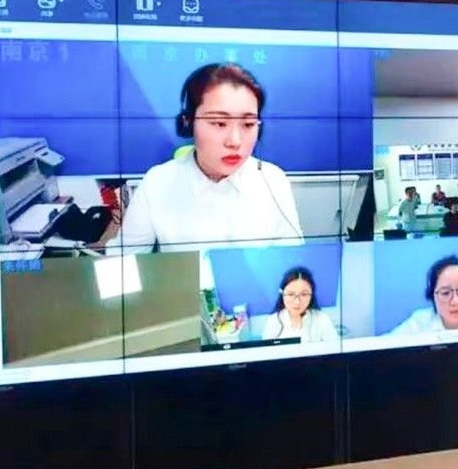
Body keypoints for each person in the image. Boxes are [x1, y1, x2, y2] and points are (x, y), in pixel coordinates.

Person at [112, 63, 302, 253]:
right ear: (188, 123)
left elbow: (293, 260)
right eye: (219, 123)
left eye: (248, 124)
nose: (235, 141)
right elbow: (123, 260)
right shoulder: (157, 182)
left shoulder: (273, 180)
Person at [390, 255, 458, 335]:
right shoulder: (419, 323)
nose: (455, 301)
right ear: (432, 295)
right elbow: (385, 347)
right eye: (445, 293)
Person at [261, 267, 338, 343]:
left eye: (304, 294)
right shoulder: (273, 321)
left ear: (311, 295)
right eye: (291, 294)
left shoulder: (322, 319)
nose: (297, 302)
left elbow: (334, 348)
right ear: (282, 294)